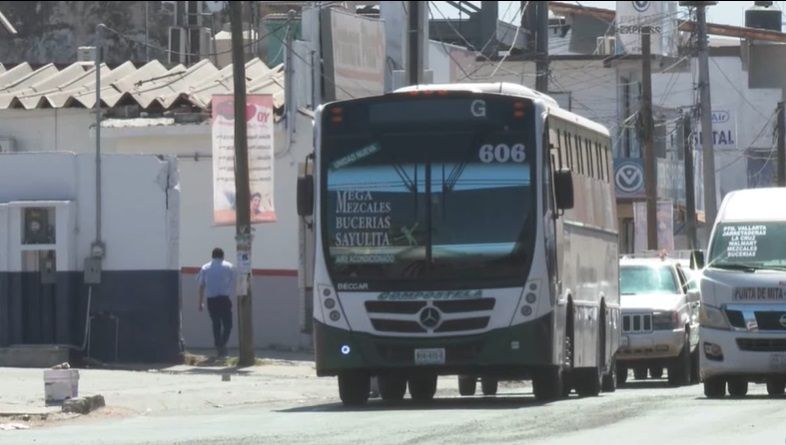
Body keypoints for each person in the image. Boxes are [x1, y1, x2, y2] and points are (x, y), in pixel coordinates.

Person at [197, 248, 236, 357]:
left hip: (211, 300)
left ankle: (218, 345)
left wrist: (200, 302)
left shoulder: (205, 267)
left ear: (212, 256)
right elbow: (237, 280)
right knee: (228, 324)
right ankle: (222, 344)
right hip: (224, 299)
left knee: (216, 323)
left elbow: (201, 286)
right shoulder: (229, 266)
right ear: (223, 256)